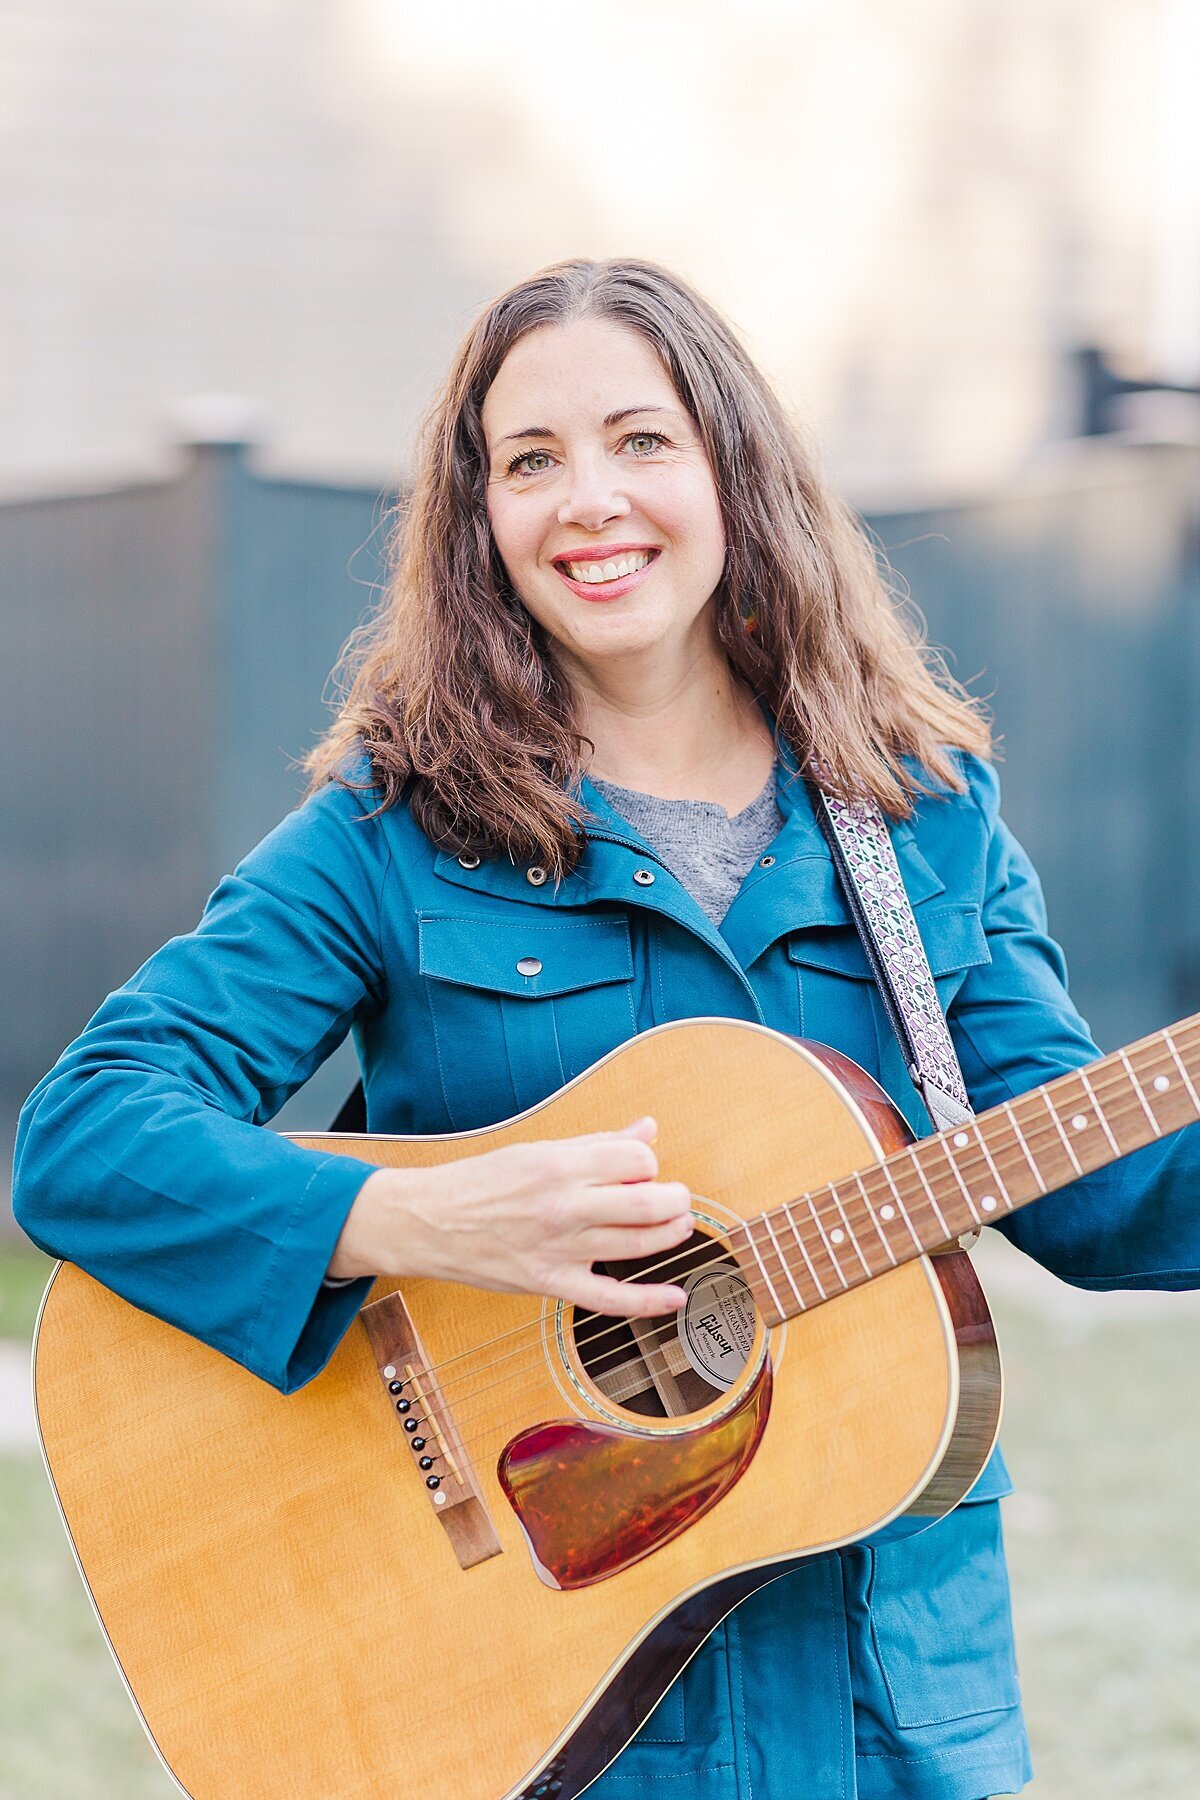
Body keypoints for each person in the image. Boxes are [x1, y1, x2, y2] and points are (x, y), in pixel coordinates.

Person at [13, 258, 1200, 1800]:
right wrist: (422, 1216)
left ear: (733, 470)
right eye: (530, 461)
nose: (590, 501)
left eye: (642, 441)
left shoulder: (924, 820)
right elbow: (86, 1131)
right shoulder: (392, 829)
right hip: (570, 1722)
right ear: (478, 522)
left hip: (885, 1719)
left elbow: (1086, 1180)